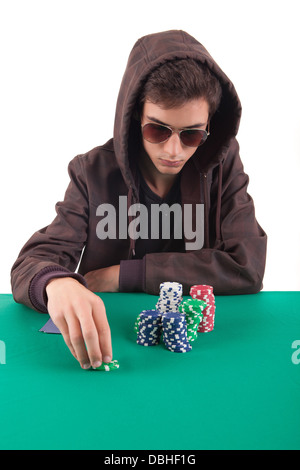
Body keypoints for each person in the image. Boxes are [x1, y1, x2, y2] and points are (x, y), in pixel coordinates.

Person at [11, 30, 267, 370]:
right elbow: (33, 263)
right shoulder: (92, 171)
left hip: (197, 352)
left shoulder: (222, 162)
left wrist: (124, 275)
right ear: (135, 117)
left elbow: (247, 266)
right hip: (112, 343)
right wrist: (56, 283)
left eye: (192, 134)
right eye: (157, 130)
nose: (173, 151)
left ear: (209, 128)